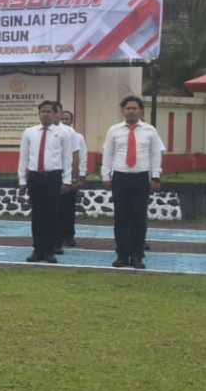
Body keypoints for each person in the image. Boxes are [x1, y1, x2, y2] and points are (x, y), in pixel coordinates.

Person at [101, 96, 165, 269]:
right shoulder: (114, 130)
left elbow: (155, 155)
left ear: (141, 111)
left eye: (134, 108)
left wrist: (156, 177)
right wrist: (106, 177)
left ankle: (137, 255)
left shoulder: (150, 130)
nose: (131, 111)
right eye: (127, 108)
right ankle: (122, 254)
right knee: (121, 218)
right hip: (120, 177)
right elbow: (108, 154)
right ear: (122, 111)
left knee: (139, 218)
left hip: (141, 177)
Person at [18, 100, 74, 263]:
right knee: (37, 215)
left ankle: (49, 250)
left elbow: (67, 157)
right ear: (38, 113)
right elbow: (23, 157)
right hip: (35, 177)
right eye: (43, 111)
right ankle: (37, 248)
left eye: (49, 111)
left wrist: (67, 180)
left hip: (53, 177)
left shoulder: (63, 133)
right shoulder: (29, 132)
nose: (46, 114)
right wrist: (22, 179)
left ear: (55, 114)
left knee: (51, 215)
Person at [57, 109, 87, 250]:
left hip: (71, 178)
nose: (64, 121)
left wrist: (80, 177)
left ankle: (69, 237)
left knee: (68, 209)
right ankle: (56, 236)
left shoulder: (78, 137)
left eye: (67, 119)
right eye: (61, 118)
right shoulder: (54, 135)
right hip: (55, 176)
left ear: (72, 121)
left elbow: (82, 158)